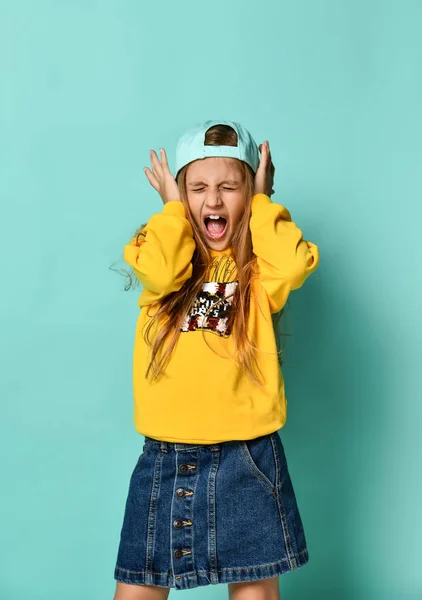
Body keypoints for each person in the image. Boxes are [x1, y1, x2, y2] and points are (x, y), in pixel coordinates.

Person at [113, 120, 320, 600]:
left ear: (249, 192)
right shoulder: (162, 257)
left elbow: (293, 263)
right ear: (181, 196)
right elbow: (161, 271)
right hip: (166, 455)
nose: (213, 201)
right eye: (197, 188)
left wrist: (266, 200)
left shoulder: (259, 273)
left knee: (255, 589)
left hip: (247, 457)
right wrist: (170, 210)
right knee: (138, 588)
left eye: (229, 187)